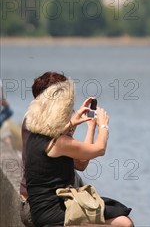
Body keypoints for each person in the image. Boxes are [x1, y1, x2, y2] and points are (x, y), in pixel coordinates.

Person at [24, 74, 133, 227]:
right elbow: (99, 149)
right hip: (55, 212)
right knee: (124, 222)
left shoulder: (37, 137)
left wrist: (87, 126)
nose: (71, 111)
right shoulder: (60, 143)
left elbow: (81, 163)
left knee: (113, 209)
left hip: (44, 209)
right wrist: (103, 125)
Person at [20, 72, 90, 227]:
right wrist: (95, 128)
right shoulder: (43, 127)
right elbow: (81, 163)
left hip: (35, 201)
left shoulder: (32, 119)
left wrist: (70, 125)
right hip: (43, 207)